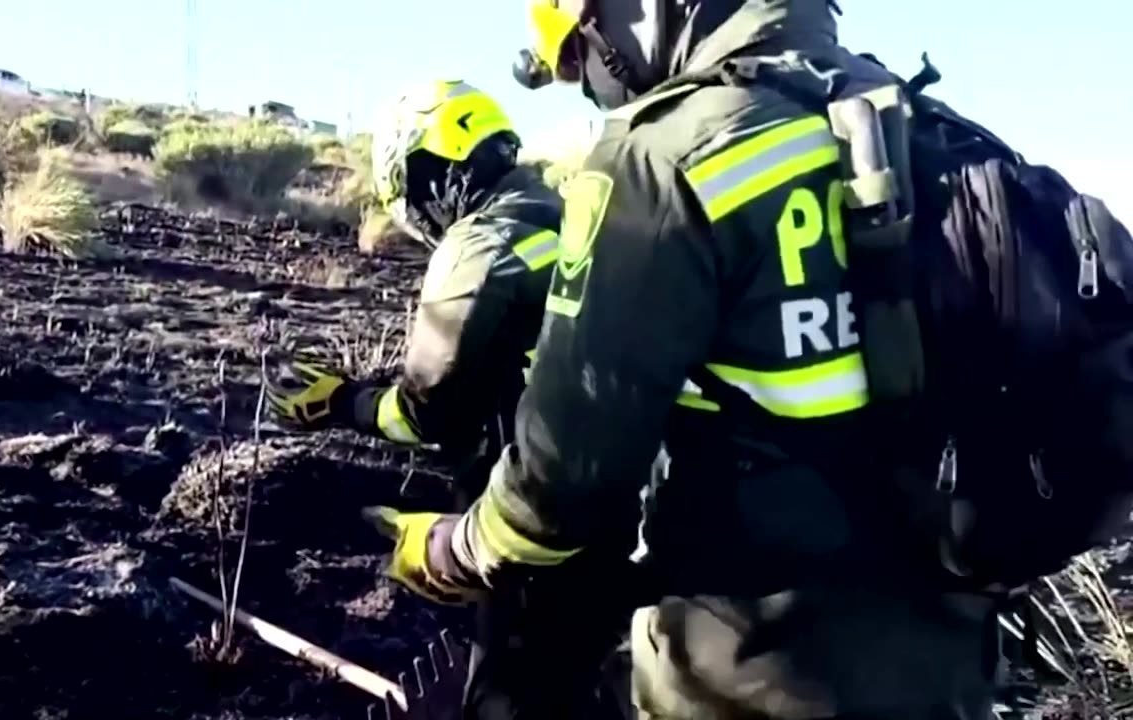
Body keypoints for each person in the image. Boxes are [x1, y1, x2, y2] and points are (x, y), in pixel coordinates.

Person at [360, 1, 1065, 718]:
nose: (591, 86)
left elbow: (564, 483)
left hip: (749, 676)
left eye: (581, 54)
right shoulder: (938, 133)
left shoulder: (667, 158)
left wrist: (456, 547)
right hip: (948, 674)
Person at [266, 80, 633, 720]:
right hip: (629, 507)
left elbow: (428, 408)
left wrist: (343, 402)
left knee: (507, 698)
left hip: (530, 516)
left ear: (432, 170)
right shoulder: (578, 213)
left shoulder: (484, 241)